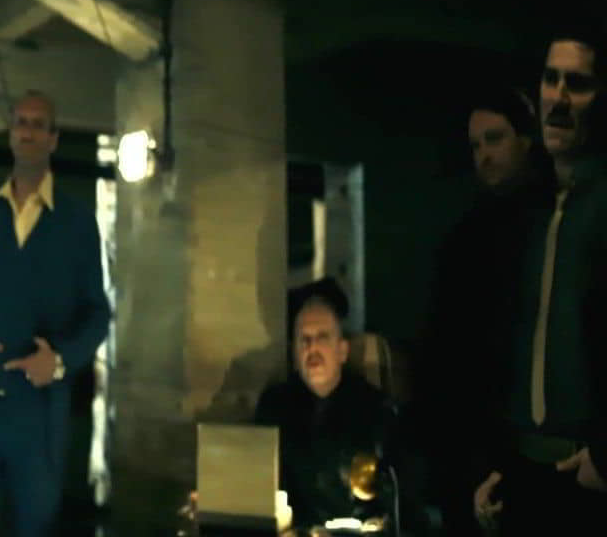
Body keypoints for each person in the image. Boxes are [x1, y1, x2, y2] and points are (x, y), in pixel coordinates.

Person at [0, 90, 111, 537]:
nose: (27, 131)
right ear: (11, 133)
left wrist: (59, 361)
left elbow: (98, 313)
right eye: (21, 122)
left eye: (38, 124)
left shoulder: (77, 222)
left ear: (53, 138)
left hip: (40, 417)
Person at [473, 34, 607, 535]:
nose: (559, 98)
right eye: (551, 80)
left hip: (589, 475)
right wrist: (493, 461)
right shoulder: (528, 211)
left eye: (578, 84)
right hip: (524, 470)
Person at [414, 86, 550, 535]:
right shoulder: (467, 234)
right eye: (475, 145)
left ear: (525, 140)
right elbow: (448, 346)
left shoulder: (549, 224)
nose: (484, 155)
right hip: (472, 440)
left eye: (494, 139)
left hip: (527, 439)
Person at [254, 280, 421, 533]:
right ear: (294, 355)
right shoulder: (273, 408)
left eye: (322, 337)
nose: (312, 348)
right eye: (304, 339)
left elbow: (403, 502)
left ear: (342, 350)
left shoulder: (375, 410)